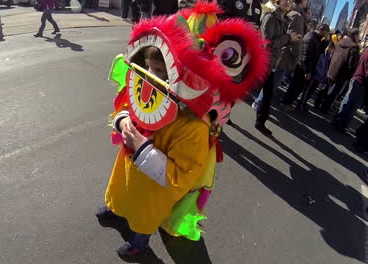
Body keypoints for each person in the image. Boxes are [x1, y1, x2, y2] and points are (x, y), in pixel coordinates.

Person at [97, 2, 269, 259]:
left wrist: (143, 147)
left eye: (160, 72)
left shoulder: (194, 127)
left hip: (153, 184)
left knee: (146, 210)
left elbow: (180, 174)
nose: (152, 78)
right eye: (149, 69)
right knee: (123, 190)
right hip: (129, 167)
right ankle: (118, 208)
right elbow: (126, 105)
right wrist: (123, 121)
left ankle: (140, 240)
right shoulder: (149, 88)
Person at [255, 0, 300, 135]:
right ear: (277, 1)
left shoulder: (282, 20)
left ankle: (260, 122)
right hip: (262, 63)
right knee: (241, 88)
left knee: (268, 95)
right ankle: (221, 114)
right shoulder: (270, 17)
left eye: (291, 1)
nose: (288, 2)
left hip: (272, 64)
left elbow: (278, 43)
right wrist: (288, 37)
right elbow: (267, 44)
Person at [281, 23, 330, 111]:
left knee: (298, 87)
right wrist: (308, 71)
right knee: (295, 87)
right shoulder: (311, 38)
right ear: (321, 29)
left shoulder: (316, 38)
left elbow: (320, 51)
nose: (326, 35)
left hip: (305, 67)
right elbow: (306, 56)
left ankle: (288, 102)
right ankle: (286, 103)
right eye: (325, 32)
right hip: (303, 67)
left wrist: (326, 41)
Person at [317, 28, 360, 114]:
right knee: (333, 93)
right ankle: (324, 108)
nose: (358, 38)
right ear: (355, 35)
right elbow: (352, 65)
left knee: (326, 88)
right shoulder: (354, 48)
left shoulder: (339, 42)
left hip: (332, 69)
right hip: (342, 74)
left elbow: (332, 54)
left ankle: (317, 103)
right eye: (358, 35)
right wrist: (349, 76)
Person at [331, 49, 367, 134]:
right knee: (351, 106)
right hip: (361, 83)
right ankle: (341, 124)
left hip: (357, 79)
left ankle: (337, 121)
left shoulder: (366, 50)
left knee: (347, 102)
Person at [299, 42, 335, 111]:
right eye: (330, 47)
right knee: (308, 91)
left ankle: (304, 103)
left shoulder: (328, 57)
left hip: (319, 78)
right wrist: (316, 73)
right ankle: (301, 104)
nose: (330, 50)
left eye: (332, 49)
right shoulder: (321, 55)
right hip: (315, 76)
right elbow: (317, 65)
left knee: (311, 92)